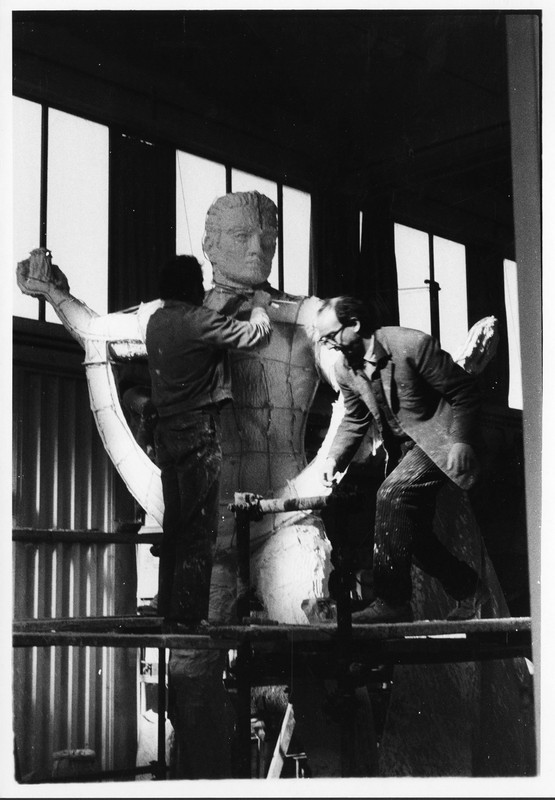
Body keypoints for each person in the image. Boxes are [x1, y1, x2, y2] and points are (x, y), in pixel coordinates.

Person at [315, 294, 490, 624]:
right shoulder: (345, 369)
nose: (328, 345)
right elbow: (354, 419)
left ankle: (393, 602)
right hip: (404, 452)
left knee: (391, 494)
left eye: (331, 336)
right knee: (413, 535)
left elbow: (463, 391)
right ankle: (468, 588)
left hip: (442, 440)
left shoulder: (411, 344)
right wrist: (332, 460)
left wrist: (462, 441)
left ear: (354, 325)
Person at [145, 255, 272, 624]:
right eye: (198, 283)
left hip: (167, 433)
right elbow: (254, 336)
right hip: (198, 431)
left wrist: (230, 307)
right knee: (199, 529)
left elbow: (204, 334)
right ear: (189, 287)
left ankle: (169, 608)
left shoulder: (157, 321)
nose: (203, 289)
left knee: (176, 524)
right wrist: (260, 307)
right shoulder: (197, 321)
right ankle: (188, 614)